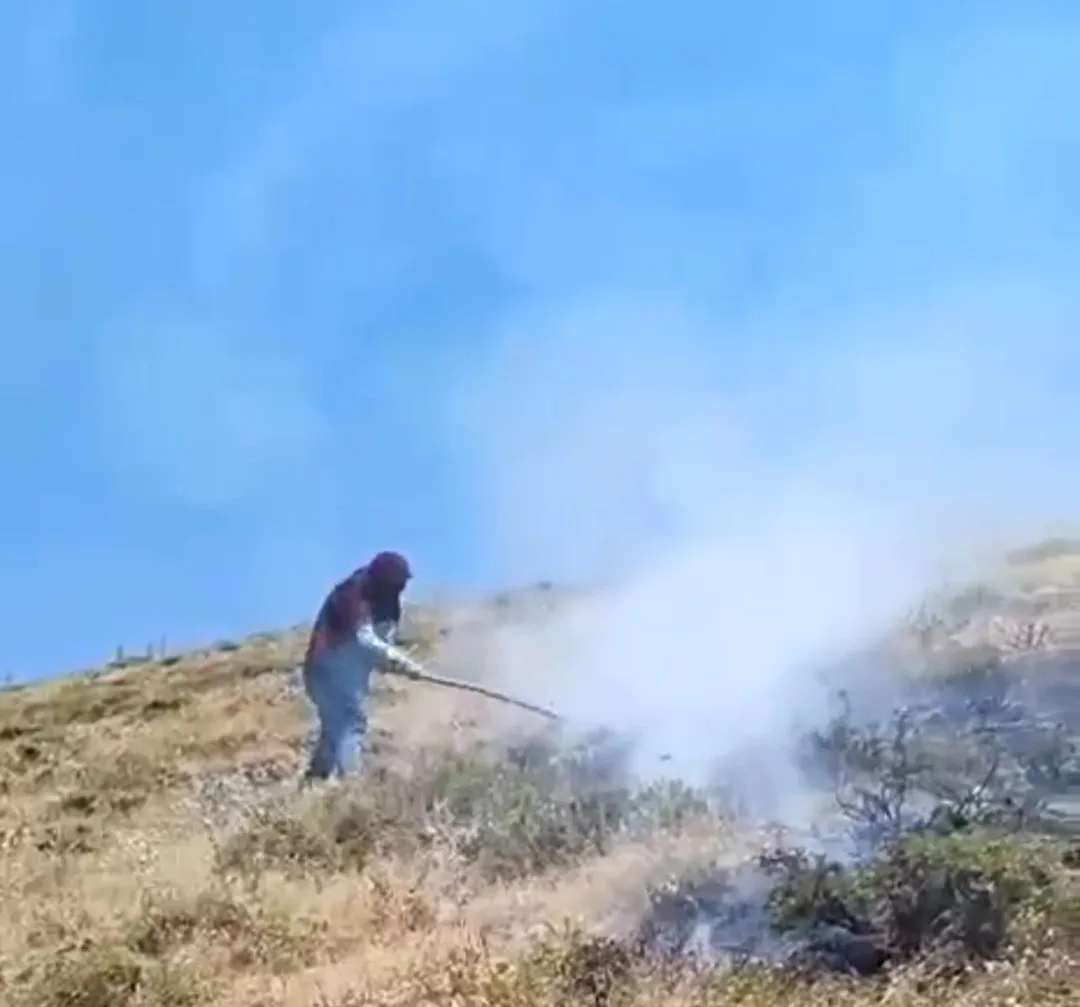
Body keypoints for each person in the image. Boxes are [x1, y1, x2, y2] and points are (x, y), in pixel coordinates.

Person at [300, 550, 425, 783]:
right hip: (324, 671)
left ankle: (313, 781)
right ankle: (352, 783)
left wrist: (396, 664)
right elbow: (363, 639)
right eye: (397, 583)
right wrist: (401, 661)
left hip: (349, 676)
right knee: (351, 720)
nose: (401, 589)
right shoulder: (355, 592)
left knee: (334, 730)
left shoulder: (390, 603)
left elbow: (382, 644)